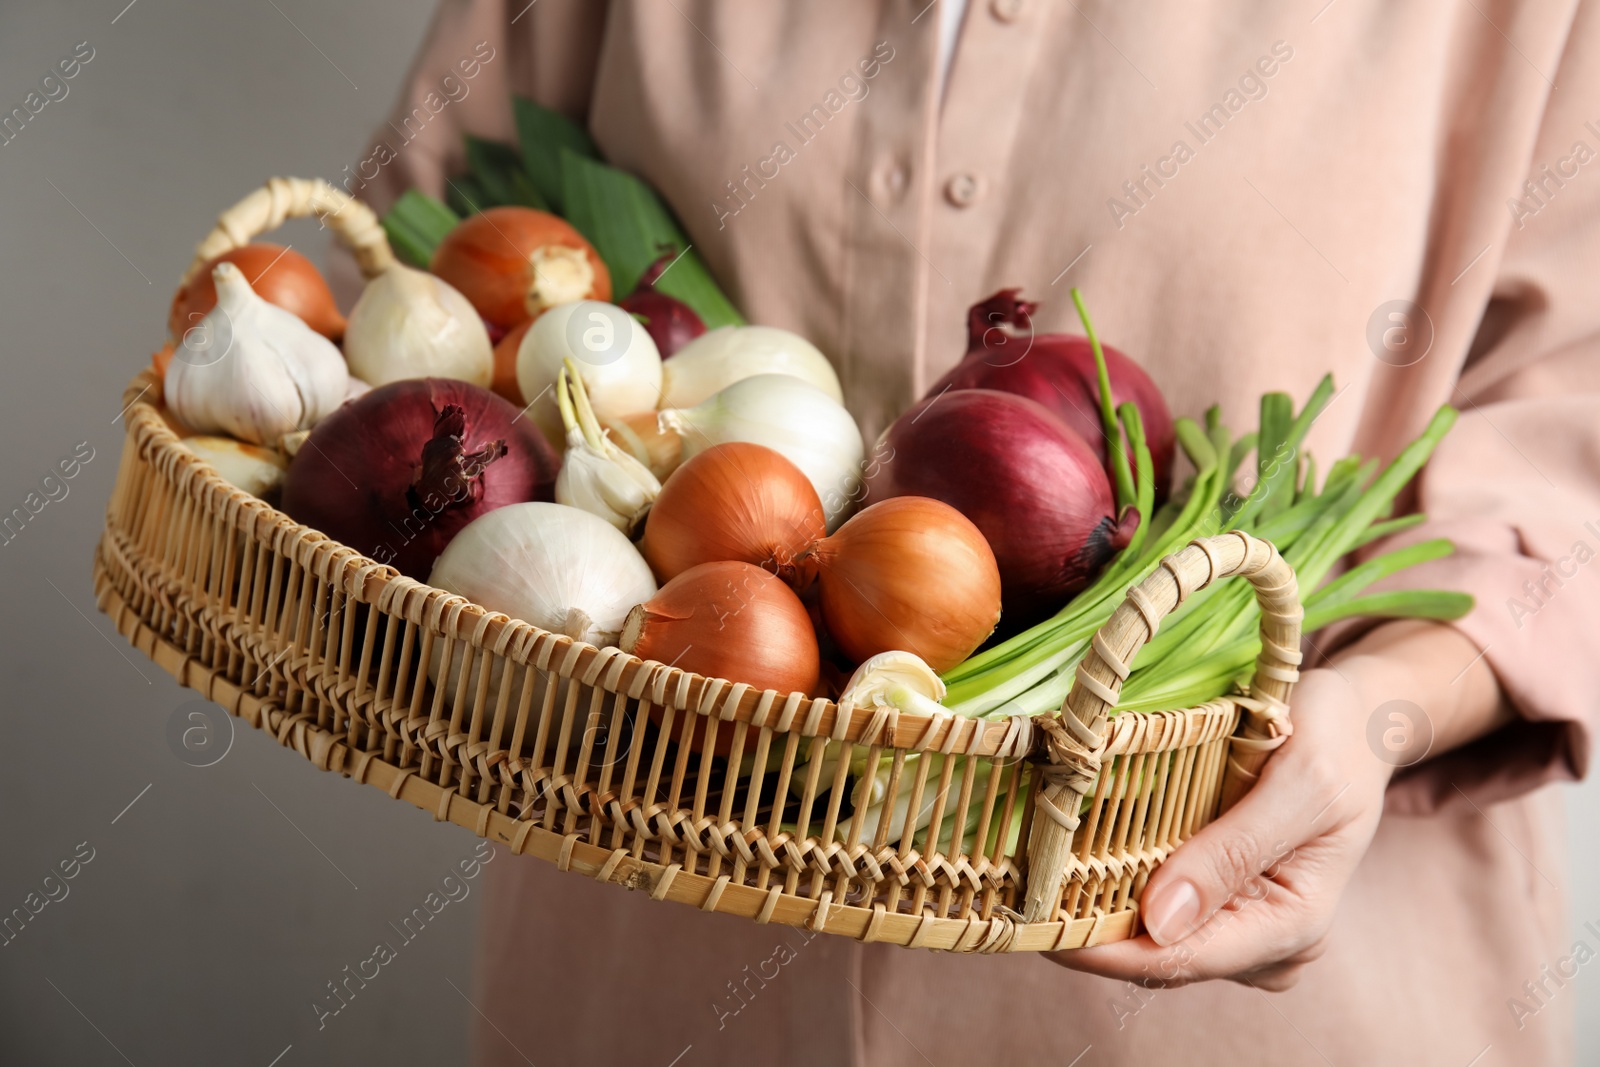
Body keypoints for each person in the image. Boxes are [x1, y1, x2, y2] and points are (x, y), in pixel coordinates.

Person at [350, 2, 1600, 1062]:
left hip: (1251, 985)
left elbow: (1574, 437)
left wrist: (1385, 705)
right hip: (653, 948)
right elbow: (428, 268)